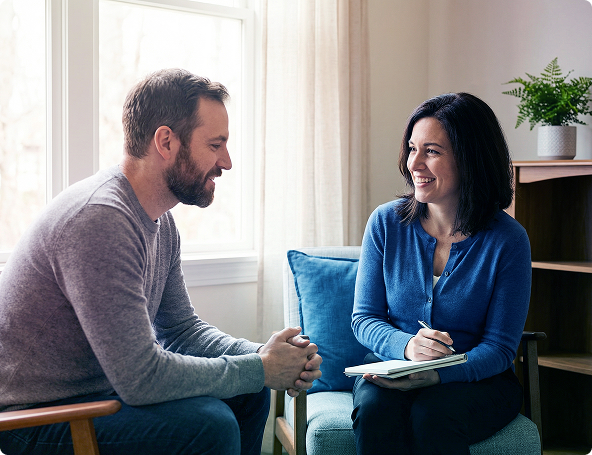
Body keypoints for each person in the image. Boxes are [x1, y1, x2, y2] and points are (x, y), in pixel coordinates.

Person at [0, 68, 322, 455]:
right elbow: (141, 377)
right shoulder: (99, 219)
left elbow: (182, 331)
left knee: (248, 395)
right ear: (166, 141)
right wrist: (260, 369)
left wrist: (262, 356)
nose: (227, 162)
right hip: (32, 422)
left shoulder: (160, 221)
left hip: (95, 400)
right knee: (211, 425)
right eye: (215, 144)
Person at [350, 92, 531, 454]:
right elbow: (364, 318)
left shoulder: (508, 240)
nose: (414, 163)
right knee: (376, 413)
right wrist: (406, 347)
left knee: (433, 415)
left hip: (480, 379)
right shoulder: (385, 223)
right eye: (412, 148)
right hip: (394, 367)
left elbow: (499, 348)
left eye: (431, 151)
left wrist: (437, 374)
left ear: (470, 159)